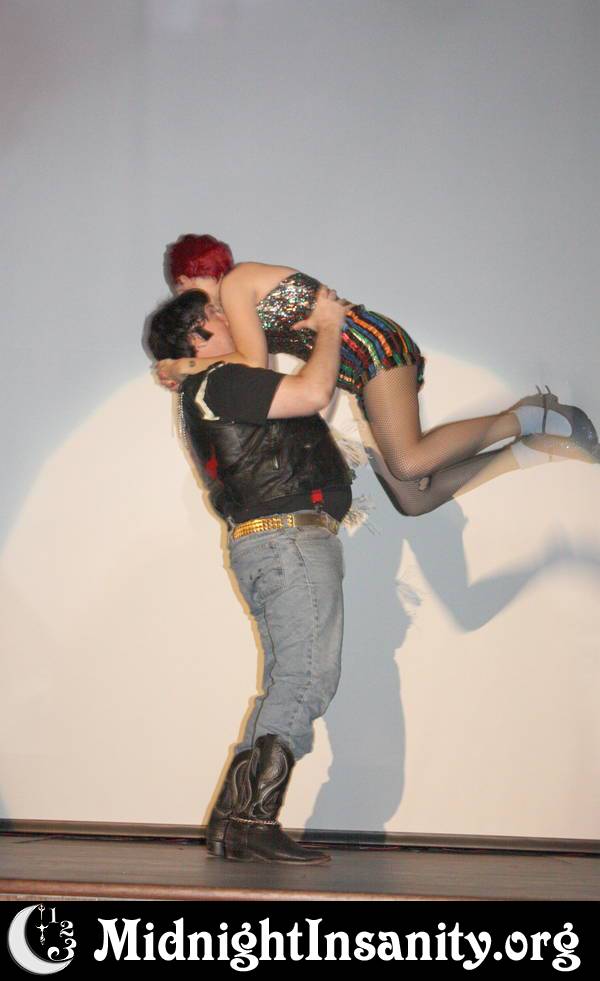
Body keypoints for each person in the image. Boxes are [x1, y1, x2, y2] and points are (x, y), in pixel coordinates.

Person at [157, 234, 599, 516]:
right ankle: (533, 449)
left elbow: (253, 365)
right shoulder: (235, 308)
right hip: (358, 373)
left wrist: (186, 365)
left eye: (181, 291)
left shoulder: (236, 283)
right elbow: (262, 376)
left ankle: (533, 415)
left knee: (408, 462)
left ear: (188, 276)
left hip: (372, 347)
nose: (186, 303)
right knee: (412, 498)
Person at [147, 286, 352, 864]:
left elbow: (303, 402)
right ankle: (252, 822)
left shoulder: (213, 383)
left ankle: (232, 824)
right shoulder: (222, 381)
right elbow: (313, 393)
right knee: (306, 679)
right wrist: (330, 326)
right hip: (288, 541)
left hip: (273, 542)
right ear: (197, 336)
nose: (230, 314)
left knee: (289, 679)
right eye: (215, 313)